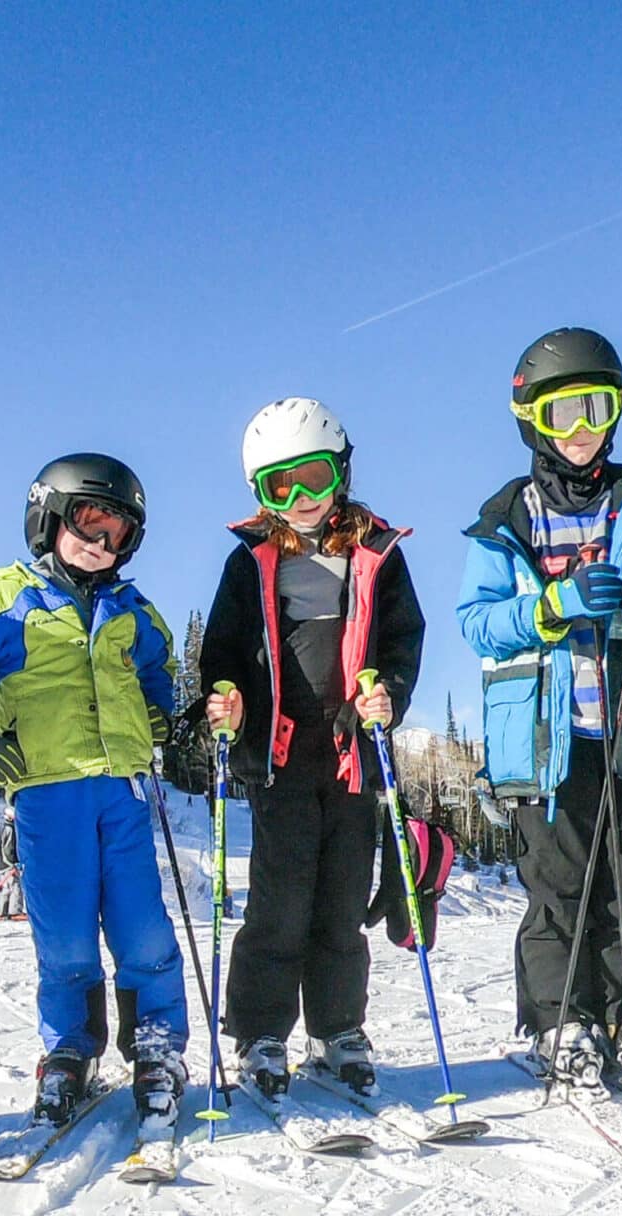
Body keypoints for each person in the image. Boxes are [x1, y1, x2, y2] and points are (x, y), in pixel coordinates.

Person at [455, 327, 622, 1087]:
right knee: (560, 887)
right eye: (564, 413)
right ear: (532, 419)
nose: (583, 430)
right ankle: (562, 1021)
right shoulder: (507, 521)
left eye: (597, 408)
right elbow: (477, 621)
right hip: (544, 738)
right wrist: (551, 606)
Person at [0, 454, 188, 1133]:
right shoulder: (10, 599)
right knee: (65, 935)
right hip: (45, 793)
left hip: (122, 792)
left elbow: (159, 670)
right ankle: (70, 1047)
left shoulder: (134, 610)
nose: (100, 545)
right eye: (87, 525)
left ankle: (156, 1044)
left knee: (143, 927)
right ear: (48, 518)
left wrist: (159, 719)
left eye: (116, 534)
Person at [197, 399, 426, 1098]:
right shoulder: (252, 562)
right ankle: (262, 1033)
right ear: (260, 496)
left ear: (342, 471)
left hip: (352, 754)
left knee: (341, 903)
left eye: (313, 477)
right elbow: (224, 649)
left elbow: (401, 640)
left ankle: (336, 1029)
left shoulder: (377, 554)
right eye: (279, 487)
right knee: (280, 902)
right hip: (283, 757)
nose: (300, 499)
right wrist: (225, 697)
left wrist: (386, 693)